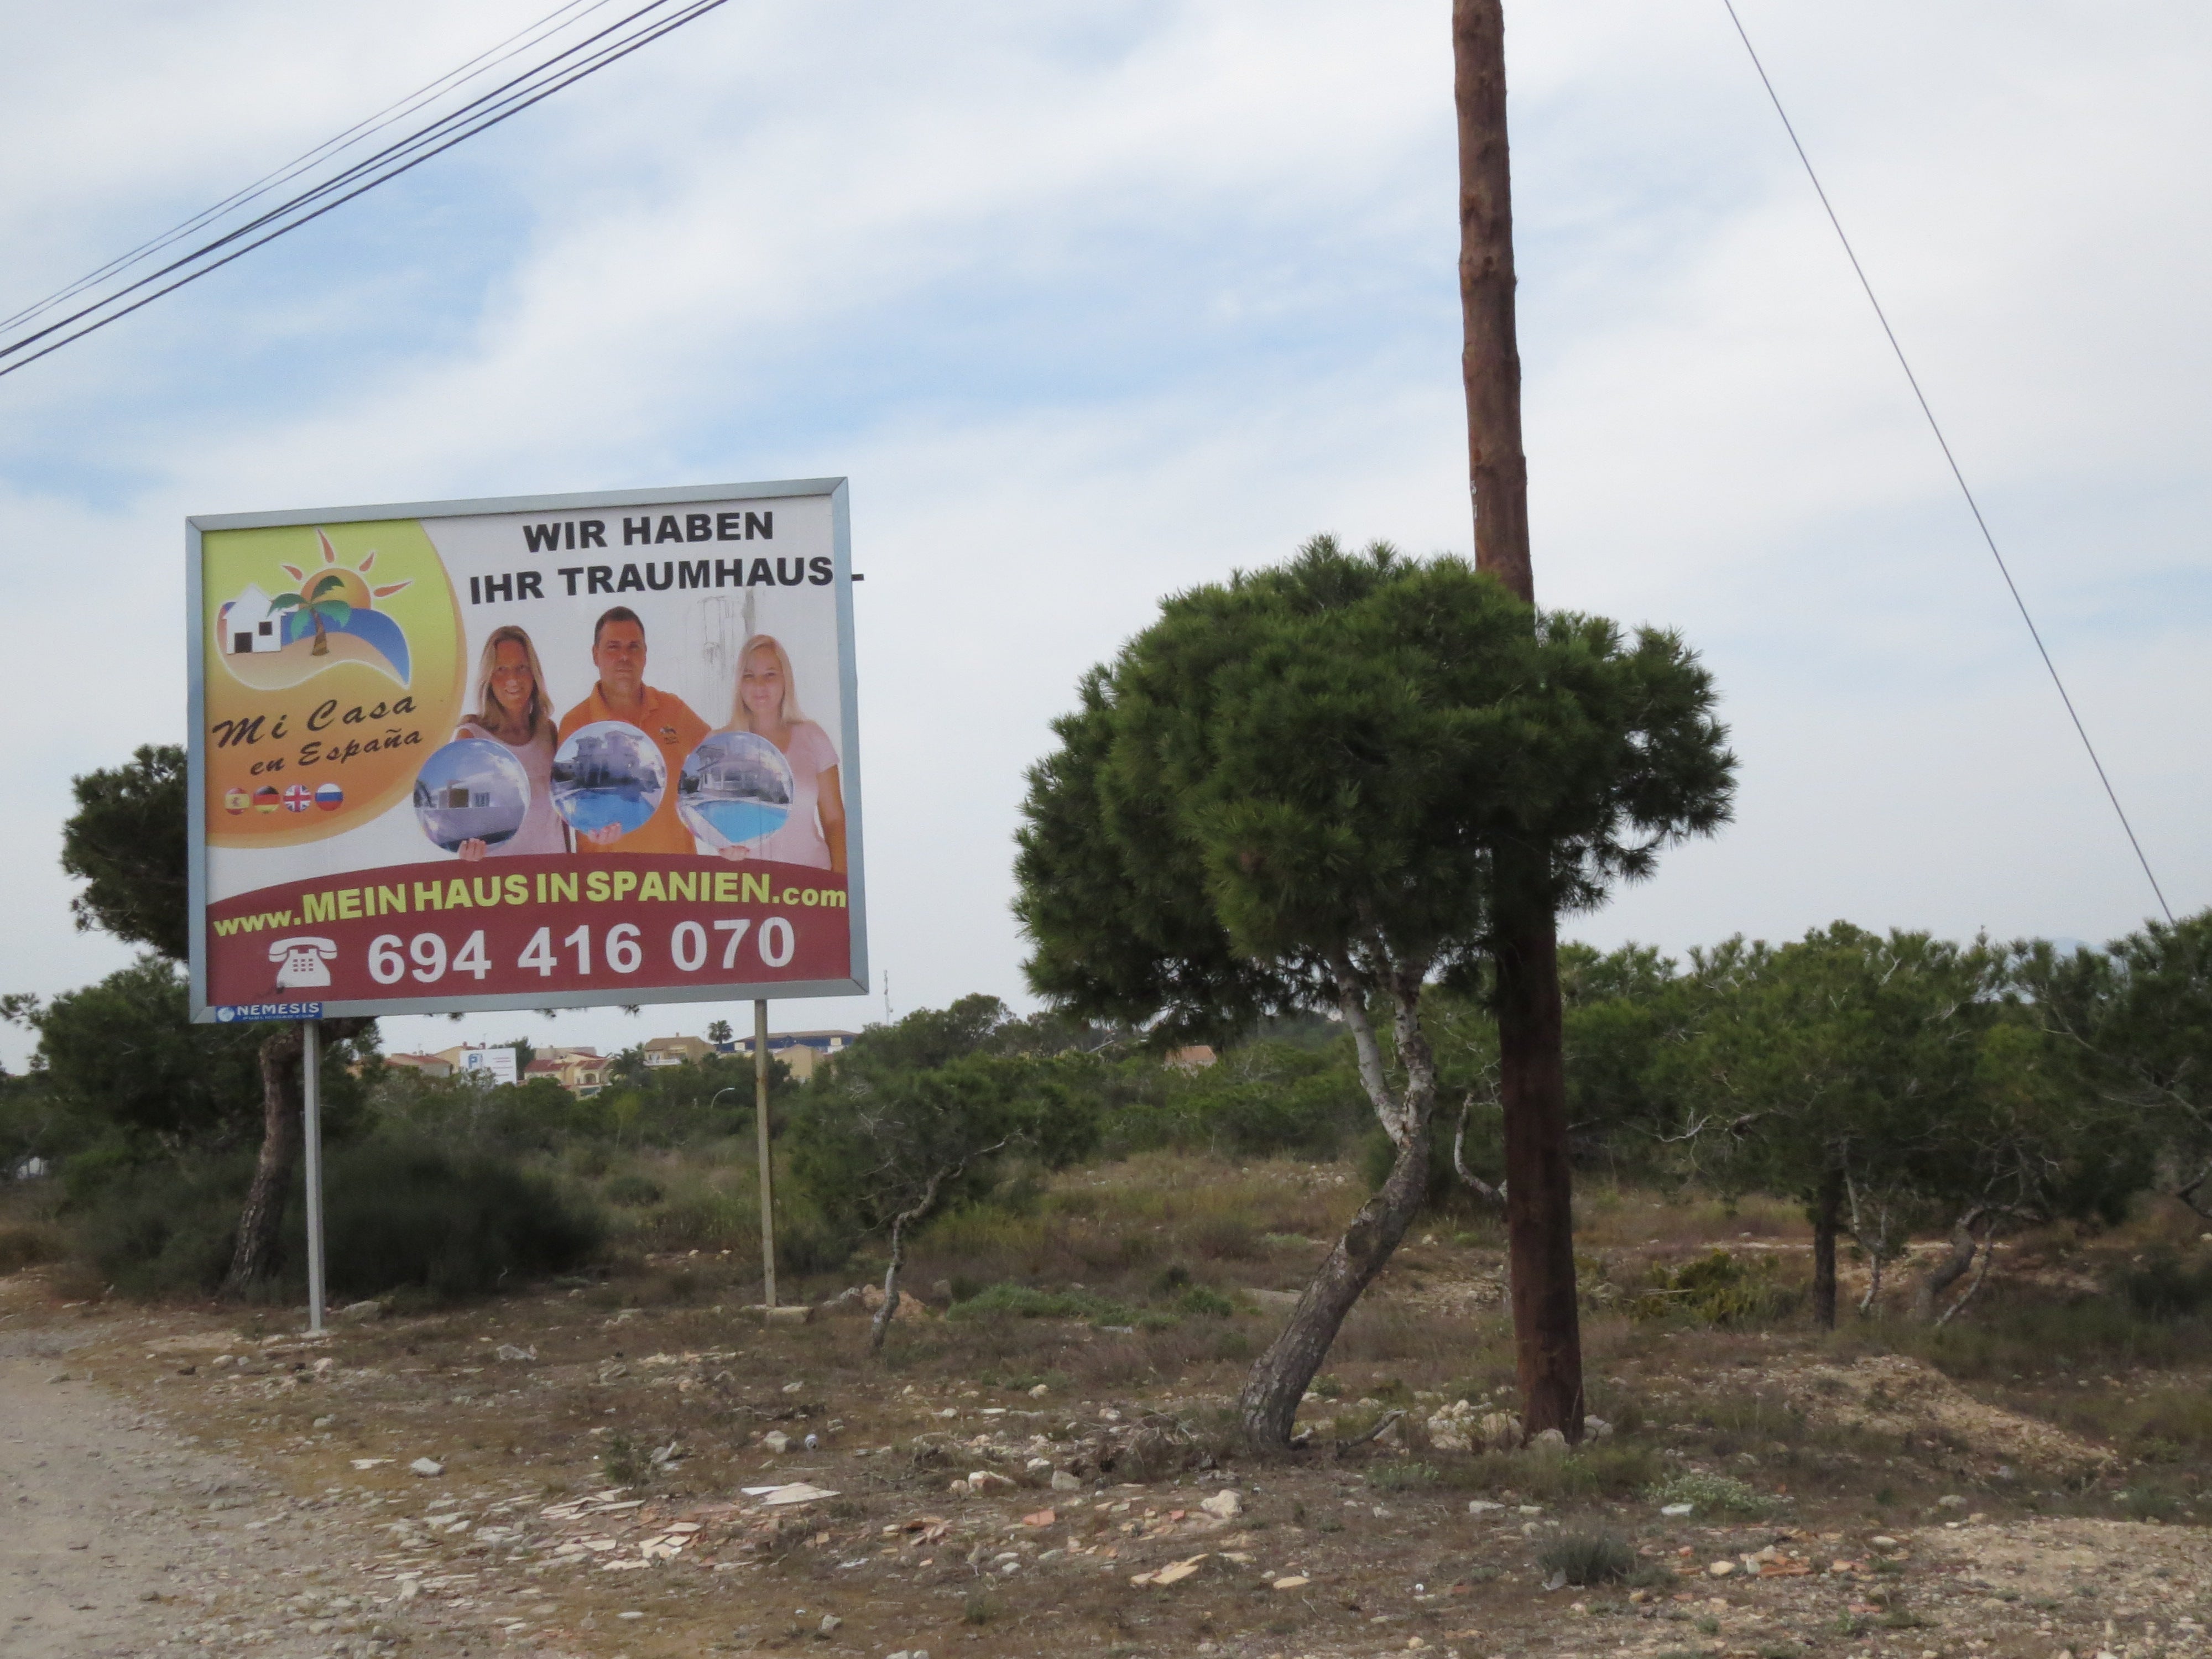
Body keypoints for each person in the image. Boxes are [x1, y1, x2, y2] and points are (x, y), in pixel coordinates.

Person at [556, 607, 709, 855]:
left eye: (633, 647)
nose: (624, 656)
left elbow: (722, 755)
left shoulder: (674, 710)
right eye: (613, 647)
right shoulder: (575, 724)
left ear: (645, 654)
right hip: (606, 876)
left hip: (674, 874)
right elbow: (564, 804)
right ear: (595, 655)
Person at [713, 633, 846, 873]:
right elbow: (704, 818)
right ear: (739, 683)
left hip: (811, 883)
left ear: (786, 680)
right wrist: (721, 843)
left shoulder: (812, 737)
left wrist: (841, 882)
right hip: (747, 886)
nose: (760, 685)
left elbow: (835, 821)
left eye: (770, 674)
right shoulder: (716, 746)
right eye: (749, 676)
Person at [452, 625, 565, 859]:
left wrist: (571, 866)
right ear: (488, 678)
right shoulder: (471, 739)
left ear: (534, 674)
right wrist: (464, 851)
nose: (512, 679)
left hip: (553, 877)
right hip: (500, 878)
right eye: (501, 669)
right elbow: (453, 821)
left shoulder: (549, 733)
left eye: (521, 668)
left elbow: (561, 818)